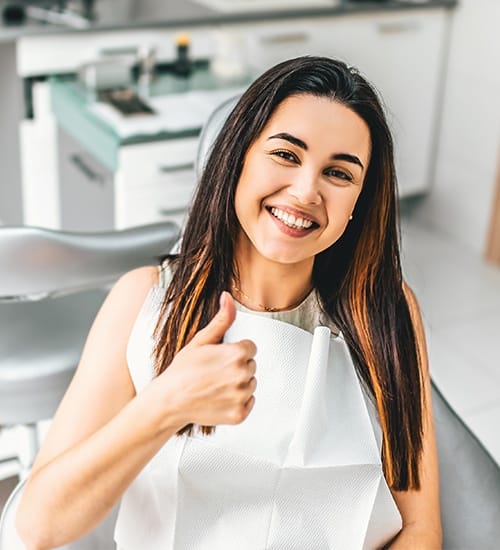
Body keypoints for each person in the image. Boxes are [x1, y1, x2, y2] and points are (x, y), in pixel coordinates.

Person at [16, 56, 441, 549]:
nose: (305, 191)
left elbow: (420, 527)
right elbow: (39, 526)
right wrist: (164, 406)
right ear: (236, 158)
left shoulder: (386, 310)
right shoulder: (144, 302)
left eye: (339, 174)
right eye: (286, 155)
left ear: (358, 206)